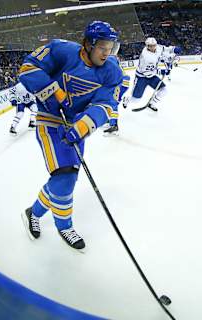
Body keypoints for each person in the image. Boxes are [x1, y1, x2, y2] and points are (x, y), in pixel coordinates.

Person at [18, 21, 123, 251]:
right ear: (88, 44)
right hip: (49, 120)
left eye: (111, 48)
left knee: (67, 179)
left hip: (75, 125)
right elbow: (28, 68)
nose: (107, 53)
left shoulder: (112, 71)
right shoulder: (61, 50)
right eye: (102, 47)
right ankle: (64, 226)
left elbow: (107, 105)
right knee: (64, 177)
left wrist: (84, 125)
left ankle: (33, 212)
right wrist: (55, 92)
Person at [123, 37, 180, 111]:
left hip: (152, 76)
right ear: (147, 46)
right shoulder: (146, 56)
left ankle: (151, 103)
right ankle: (127, 99)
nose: (153, 47)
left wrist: (174, 49)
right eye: (151, 46)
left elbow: (164, 49)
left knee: (163, 90)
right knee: (136, 100)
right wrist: (162, 71)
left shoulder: (157, 47)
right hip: (142, 77)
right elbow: (147, 72)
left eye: (154, 45)